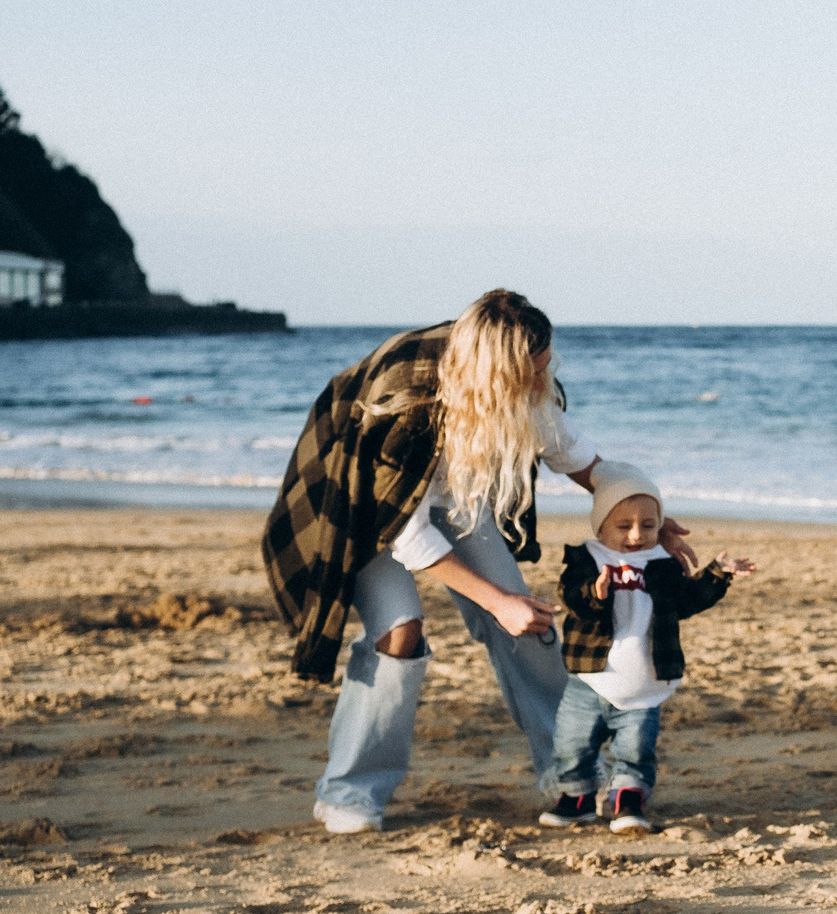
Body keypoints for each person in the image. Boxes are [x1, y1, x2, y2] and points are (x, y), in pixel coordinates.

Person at [262, 289, 691, 834]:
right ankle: (348, 793)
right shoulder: (405, 405)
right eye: (530, 374)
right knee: (401, 632)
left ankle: (571, 774)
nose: (542, 384)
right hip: (363, 502)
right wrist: (496, 601)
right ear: (493, 373)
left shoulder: (528, 389)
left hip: (452, 494)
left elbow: (582, 461)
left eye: (544, 367)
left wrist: (650, 518)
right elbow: (404, 529)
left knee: (526, 623)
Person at [541, 462, 753, 832]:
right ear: (601, 525)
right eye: (624, 526)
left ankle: (628, 799)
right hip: (589, 679)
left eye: (649, 525)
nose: (637, 535)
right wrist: (595, 593)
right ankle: (576, 798)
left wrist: (719, 574)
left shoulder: (662, 564)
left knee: (637, 748)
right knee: (571, 742)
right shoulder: (585, 558)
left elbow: (686, 601)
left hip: (645, 680)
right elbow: (572, 596)